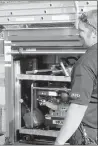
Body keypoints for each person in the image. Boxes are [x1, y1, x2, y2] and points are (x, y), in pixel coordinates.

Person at [55, 9, 97, 145]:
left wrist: (59, 142)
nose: (78, 34)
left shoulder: (86, 63)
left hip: (88, 136)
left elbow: (78, 108)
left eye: (82, 31)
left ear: (94, 33)